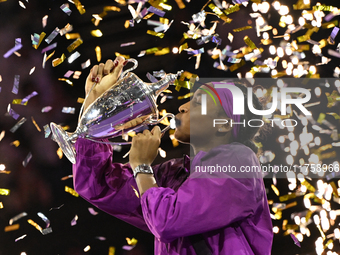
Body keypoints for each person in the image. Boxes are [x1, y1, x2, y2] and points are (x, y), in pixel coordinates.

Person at [72, 56, 273, 254]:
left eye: (198, 102)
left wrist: (142, 167)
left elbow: (168, 220)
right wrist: (96, 105)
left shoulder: (239, 162)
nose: (182, 107)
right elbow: (96, 185)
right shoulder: (176, 173)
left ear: (224, 124)